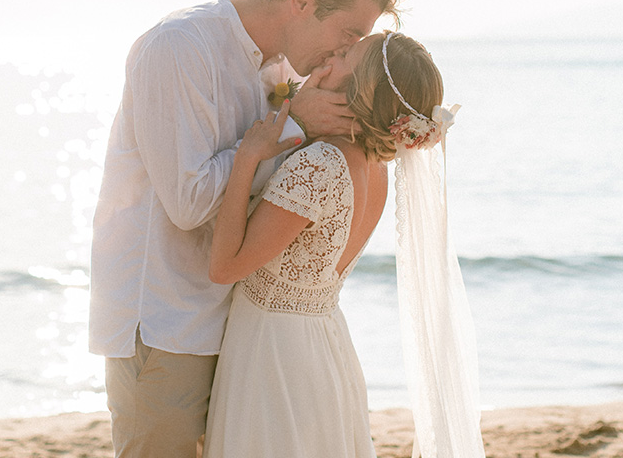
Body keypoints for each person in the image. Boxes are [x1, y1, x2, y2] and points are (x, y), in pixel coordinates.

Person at [88, 0, 399, 458]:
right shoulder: (180, 48)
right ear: (303, 1)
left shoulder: (282, 69)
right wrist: (293, 123)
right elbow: (188, 203)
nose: (346, 51)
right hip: (170, 324)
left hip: (238, 330)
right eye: (348, 33)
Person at [203, 31, 481, 458]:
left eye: (346, 53)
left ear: (360, 88)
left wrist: (246, 159)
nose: (333, 51)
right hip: (322, 343)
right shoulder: (374, 167)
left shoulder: (321, 164)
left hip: (274, 354)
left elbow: (225, 267)